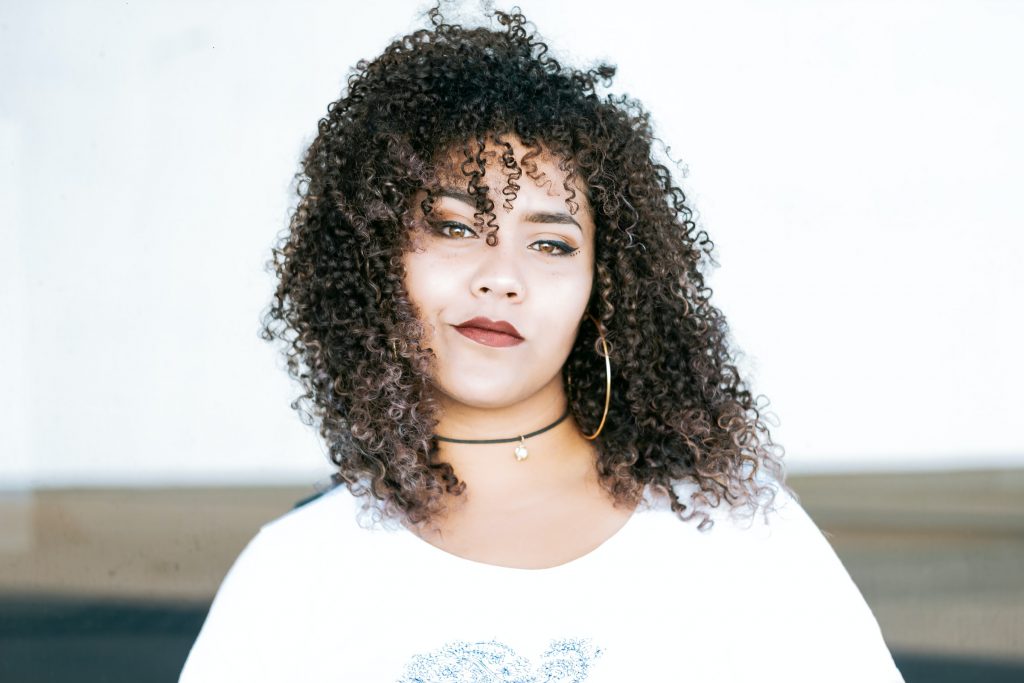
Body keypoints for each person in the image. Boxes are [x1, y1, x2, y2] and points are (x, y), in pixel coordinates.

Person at [179, 2, 905, 680]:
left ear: (605, 289)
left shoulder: (741, 539)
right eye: (455, 228)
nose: (502, 278)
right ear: (375, 258)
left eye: (551, 245)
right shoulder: (295, 576)